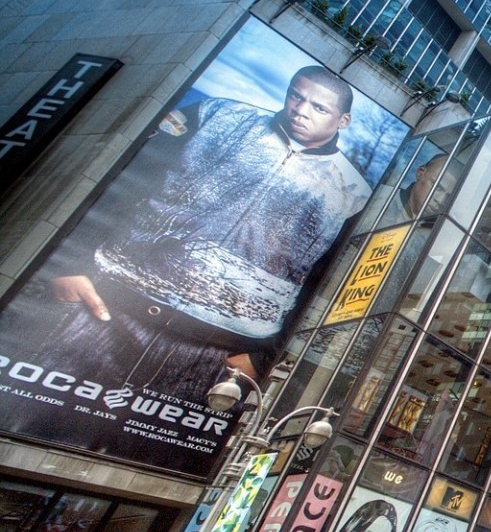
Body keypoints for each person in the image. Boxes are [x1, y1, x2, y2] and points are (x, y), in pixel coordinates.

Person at [24, 66, 374, 415]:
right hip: (110, 308)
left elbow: (327, 287)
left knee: (157, 462)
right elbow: (125, 181)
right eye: (297, 96)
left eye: (319, 108)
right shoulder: (217, 116)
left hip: (218, 358)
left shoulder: (353, 193)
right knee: (27, 416)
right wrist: (71, 263)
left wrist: (265, 357)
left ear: (342, 121)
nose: (301, 110)